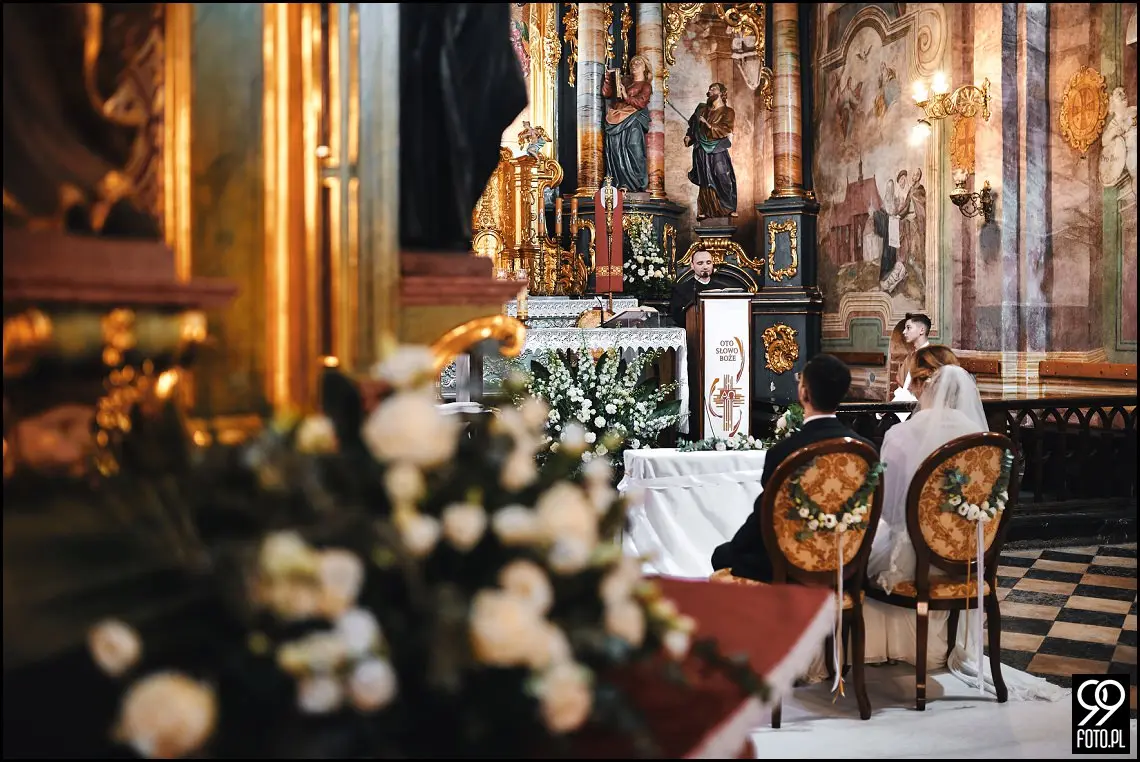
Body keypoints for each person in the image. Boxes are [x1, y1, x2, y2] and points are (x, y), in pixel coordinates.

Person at [865, 347, 1065, 702]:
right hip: (971, 559)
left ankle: (879, 650)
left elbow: (889, 511)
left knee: (857, 554)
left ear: (922, 384)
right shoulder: (981, 437)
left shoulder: (900, 435)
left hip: (916, 563)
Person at [711, 354, 874, 582]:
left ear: (803, 393)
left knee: (721, 555)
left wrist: (736, 548)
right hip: (843, 568)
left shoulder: (784, 452)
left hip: (788, 571)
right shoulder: (866, 451)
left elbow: (766, 515)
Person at [684, 83, 738, 220]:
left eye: (713, 89)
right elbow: (694, 126)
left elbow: (725, 129)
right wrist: (689, 136)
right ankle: (705, 209)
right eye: (709, 89)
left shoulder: (728, 111)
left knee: (722, 174)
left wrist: (707, 124)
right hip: (701, 149)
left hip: (717, 147)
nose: (710, 91)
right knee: (705, 179)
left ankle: (728, 207)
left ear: (722, 93)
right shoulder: (702, 110)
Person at [601, 55, 653, 193]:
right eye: (632, 63)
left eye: (638, 62)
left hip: (634, 118)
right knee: (616, 149)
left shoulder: (646, 86)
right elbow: (607, 93)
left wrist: (626, 96)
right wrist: (608, 77)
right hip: (616, 118)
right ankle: (620, 183)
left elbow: (641, 103)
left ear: (645, 68)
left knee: (634, 147)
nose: (634, 64)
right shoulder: (624, 80)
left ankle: (636, 183)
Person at [668, 249, 731, 327]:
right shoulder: (680, 290)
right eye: (700, 263)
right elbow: (677, 317)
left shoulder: (723, 288)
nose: (705, 267)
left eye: (708, 262)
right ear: (692, 265)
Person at [893, 312, 931, 402]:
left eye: (908, 328)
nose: (904, 332)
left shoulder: (931, 357)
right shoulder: (910, 357)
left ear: (921, 330)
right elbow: (902, 388)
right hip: (902, 405)